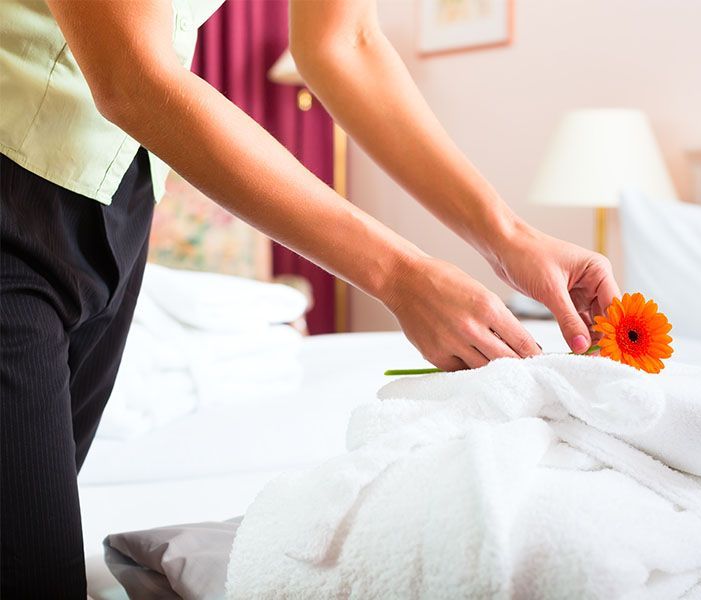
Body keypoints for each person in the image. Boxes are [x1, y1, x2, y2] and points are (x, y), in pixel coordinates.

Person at [0, 0, 621, 596]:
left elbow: (345, 42)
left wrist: (509, 237)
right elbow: (133, 77)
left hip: (117, 198)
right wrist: (401, 276)